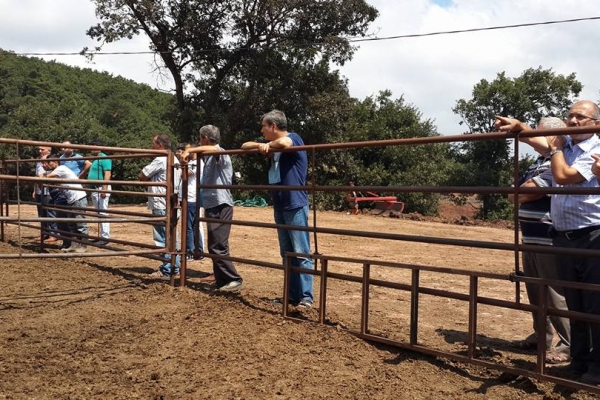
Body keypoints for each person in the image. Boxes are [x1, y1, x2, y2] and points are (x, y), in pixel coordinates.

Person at [496, 100, 600, 384]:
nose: (574, 121)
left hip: (591, 235)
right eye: (571, 116)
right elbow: (540, 144)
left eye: (581, 117)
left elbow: (563, 177)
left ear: (595, 123)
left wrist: (554, 149)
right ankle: (578, 363)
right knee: (575, 303)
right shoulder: (567, 148)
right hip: (564, 236)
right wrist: (520, 127)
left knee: (593, 303)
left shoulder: (593, 150)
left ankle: (596, 367)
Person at [507, 117, 570, 364]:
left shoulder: (559, 161)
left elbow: (527, 191)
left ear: (552, 137)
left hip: (547, 237)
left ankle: (567, 345)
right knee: (534, 290)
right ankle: (541, 337)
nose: (533, 139)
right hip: (530, 236)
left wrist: (522, 191)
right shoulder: (538, 162)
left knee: (554, 293)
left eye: (539, 134)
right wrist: (521, 191)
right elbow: (515, 191)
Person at [241, 109, 313, 307]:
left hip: (295, 204)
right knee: (287, 253)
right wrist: (261, 146)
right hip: (281, 205)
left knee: (301, 252)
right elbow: (244, 146)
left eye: (264, 126)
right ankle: (291, 295)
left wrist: (268, 146)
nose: (261, 130)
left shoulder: (294, 138)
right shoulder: (270, 144)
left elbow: (284, 143)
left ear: (273, 126)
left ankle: (306, 297)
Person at [182, 125, 243, 292]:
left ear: (206, 138)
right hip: (213, 204)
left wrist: (190, 150)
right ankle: (221, 279)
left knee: (218, 245)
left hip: (221, 204)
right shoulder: (208, 157)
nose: (198, 141)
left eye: (200, 138)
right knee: (214, 244)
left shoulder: (219, 152)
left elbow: (214, 149)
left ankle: (234, 278)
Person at [139, 133, 181, 279]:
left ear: (160, 146)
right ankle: (174, 267)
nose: (151, 146)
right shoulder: (174, 158)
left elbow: (143, 175)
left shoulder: (160, 159)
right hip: (172, 202)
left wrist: (150, 180)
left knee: (162, 237)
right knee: (172, 236)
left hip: (160, 202)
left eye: (153, 144)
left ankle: (167, 269)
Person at [40, 155, 89, 253]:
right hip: (71, 199)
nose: (48, 165)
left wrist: (41, 175)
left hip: (77, 198)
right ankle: (74, 245)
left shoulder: (61, 168)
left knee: (80, 223)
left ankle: (83, 246)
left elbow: (46, 178)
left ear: (55, 162)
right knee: (71, 224)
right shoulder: (59, 172)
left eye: (49, 162)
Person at [177, 143, 205, 261]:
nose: (186, 152)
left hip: (190, 198)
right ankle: (198, 251)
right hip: (190, 198)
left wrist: (181, 163)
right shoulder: (194, 162)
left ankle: (190, 251)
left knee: (188, 226)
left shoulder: (196, 163)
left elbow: (185, 174)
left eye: (187, 150)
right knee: (193, 226)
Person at [87, 138, 112, 245]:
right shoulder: (96, 159)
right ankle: (101, 236)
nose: (91, 149)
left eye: (93, 146)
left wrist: (104, 189)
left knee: (102, 212)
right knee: (99, 213)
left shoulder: (104, 158)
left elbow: (107, 173)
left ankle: (105, 237)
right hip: (96, 188)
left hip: (101, 188)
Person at [33, 145, 58, 243]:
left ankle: (53, 234)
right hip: (39, 190)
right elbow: (37, 175)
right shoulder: (39, 161)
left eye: (42, 149)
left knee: (50, 212)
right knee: (41, 213)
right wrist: (35, 190)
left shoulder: (51, 161)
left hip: (47, 190)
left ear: (49, 151)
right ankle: (44, 233)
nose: (40, 151)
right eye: (39, 149)